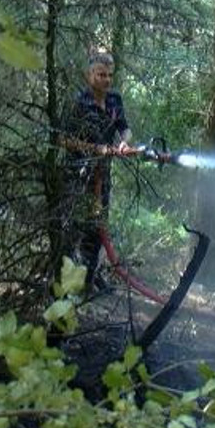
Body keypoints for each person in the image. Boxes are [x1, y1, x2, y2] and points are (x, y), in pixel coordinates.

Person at [59, 52, 131, 287]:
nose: (106, 80)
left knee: (96, 229)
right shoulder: (77, 101)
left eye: (110, 75)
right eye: (101, 75)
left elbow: (125, 128)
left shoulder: (114, 100)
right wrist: (94, 149)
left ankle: (88, 281)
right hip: (77, 175)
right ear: (89, 75)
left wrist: (123, 142)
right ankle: (65, 282)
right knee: (72, 228)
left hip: (103, 176)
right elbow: (63, 139)